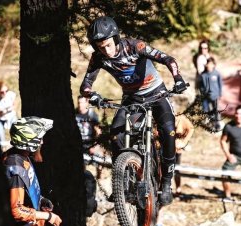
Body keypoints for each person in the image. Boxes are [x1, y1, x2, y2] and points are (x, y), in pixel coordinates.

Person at [80, 16, 188, 206]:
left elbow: (167, 59)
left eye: (107, 45)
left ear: (115, 38)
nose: (105, 50)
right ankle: (123, 185)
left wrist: (178, 79)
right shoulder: (98, 57)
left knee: (168, 130)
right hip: (132, 99)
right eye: (100, 47)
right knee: (116, 134)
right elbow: (85, 85)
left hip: (157, 95)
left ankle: (167, 182)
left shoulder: (134, 46)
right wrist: (93, 95)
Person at [3, 117, 82, 226]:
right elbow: (15, 211)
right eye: (39, 139)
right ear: (29, 142)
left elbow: (27, 191)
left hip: (32, 221)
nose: (42, 142)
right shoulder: (15, 167)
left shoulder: (22, 156)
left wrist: (40, 200)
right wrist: (47, 217)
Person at [76, 95, 104, 179]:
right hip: (79, 143)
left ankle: (99, 177)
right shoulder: (74, 114)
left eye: (82, 102)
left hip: (91, 141)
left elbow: (98, 131)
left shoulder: (91, 114)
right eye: (78, 103)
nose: (80, 105)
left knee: (100, 156)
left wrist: (95, 144)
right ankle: (82, 178)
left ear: (86, 103)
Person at [0, 80, 18, 151]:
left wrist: (11, 108)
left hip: (11, 116)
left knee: (16, 132)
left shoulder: (11, 94)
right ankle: (3, 149)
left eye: (6, 91)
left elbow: (15, 104)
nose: (5, 93)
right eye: (2, 92)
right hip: (1, 119)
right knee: (0, 138)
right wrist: (2, 112)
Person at [173, 112, 195, 195]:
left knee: (176, 168)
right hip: (163, 147)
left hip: (176, 148)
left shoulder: (181, 118)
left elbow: (191, 129)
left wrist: (184, 142)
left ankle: (178, 188)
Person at [199, 57, 223, 130]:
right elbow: (201, 85)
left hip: (215, 95)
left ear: (214, 65)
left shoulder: (217, 74)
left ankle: (217, 123)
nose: (209, 66)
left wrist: (220, 94)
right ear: (206, 65)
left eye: (211, 64)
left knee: (215, 110)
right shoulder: (203, 74)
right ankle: (210, 123)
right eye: (208, 64)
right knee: (207, 110)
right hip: (206, 96)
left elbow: (220, 84)